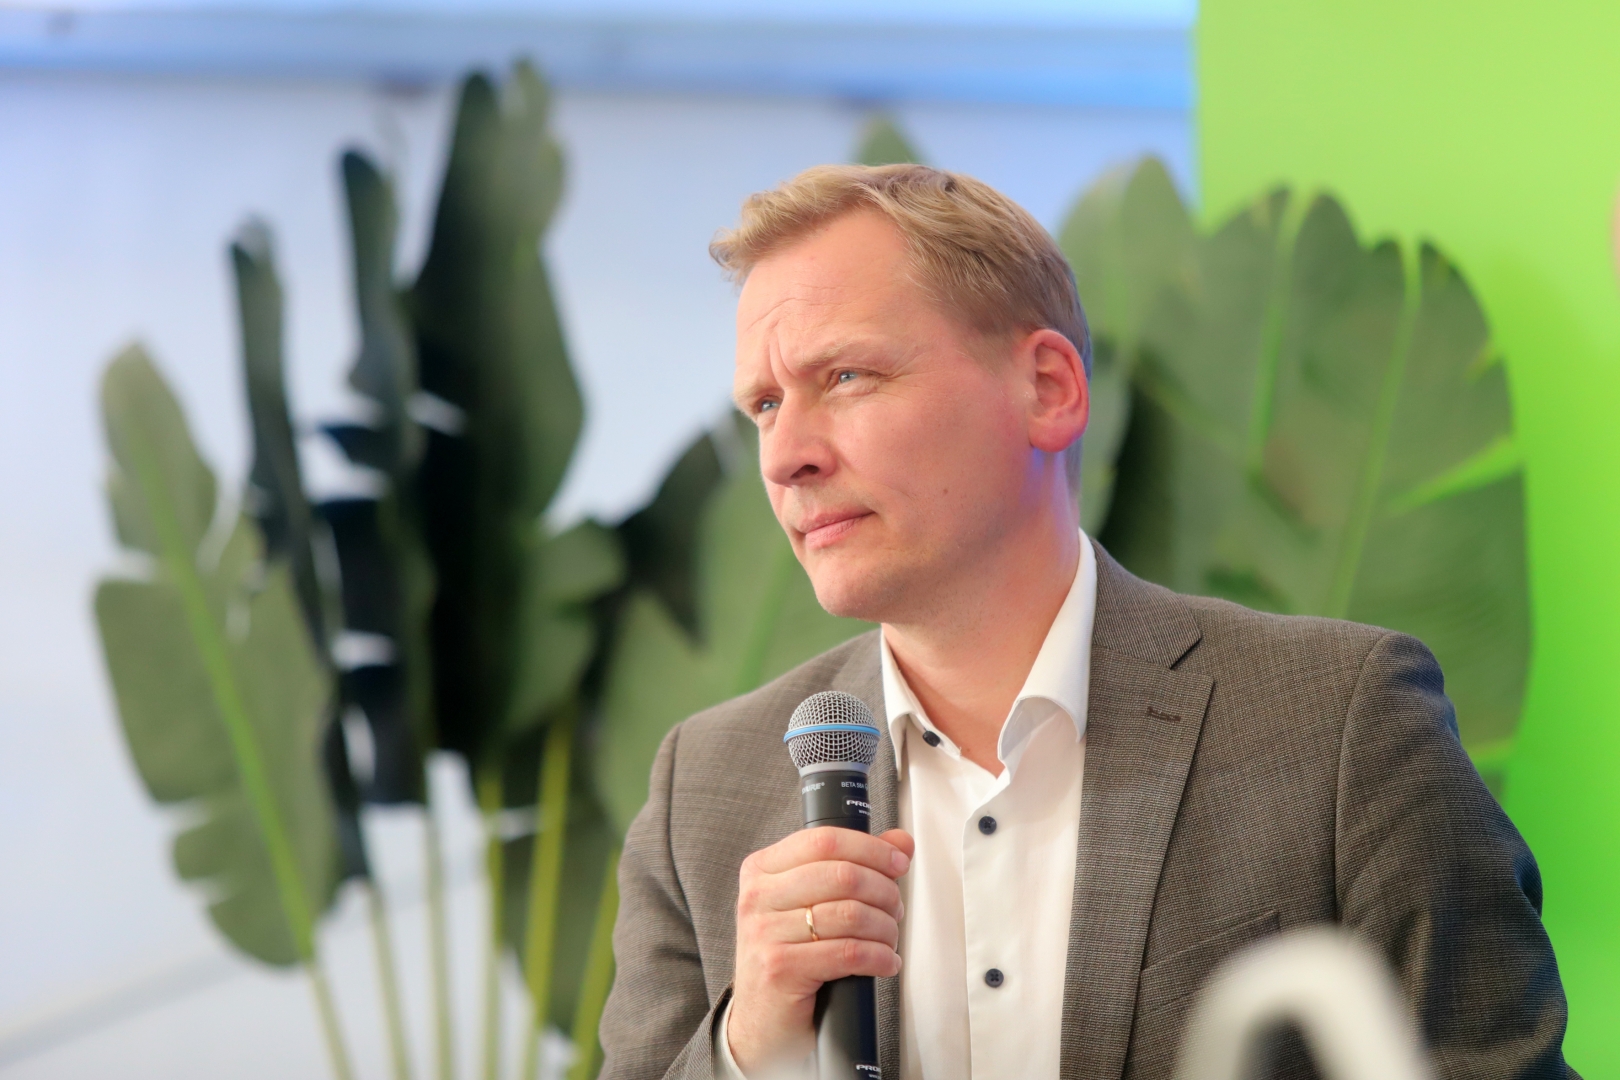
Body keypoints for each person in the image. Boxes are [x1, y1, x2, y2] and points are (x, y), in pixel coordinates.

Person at [597, 164, 1574, 1080]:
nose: (785, 458)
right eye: (765, 405)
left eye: (846, 377)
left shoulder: (1339, 725)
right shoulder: (703, 793)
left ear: (1048, 390)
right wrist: (748, 1046)